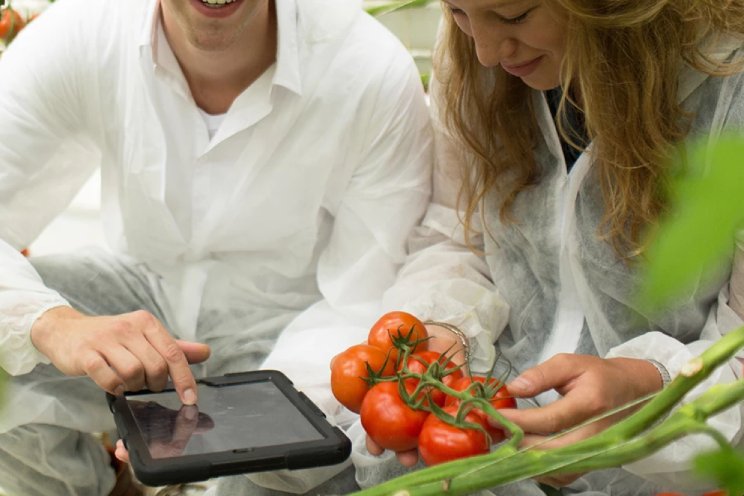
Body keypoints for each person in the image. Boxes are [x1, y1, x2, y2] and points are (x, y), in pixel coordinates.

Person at [0, 0, 433, 494]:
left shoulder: (365, 69)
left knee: (294, 471)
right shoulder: (81, 35)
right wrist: (51, 323)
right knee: (6, 343)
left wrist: (249, 424)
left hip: (291, 330)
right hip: (140, 288)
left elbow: (365, 296)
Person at [344, 0, 744, 494]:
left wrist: (647, 392)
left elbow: (739, 347)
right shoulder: (474, 62)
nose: (487, 52)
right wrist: (446, 324)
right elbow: (460, 234)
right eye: (458, 12)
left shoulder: (731, 86)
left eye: (515, 15)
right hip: (486, 428)